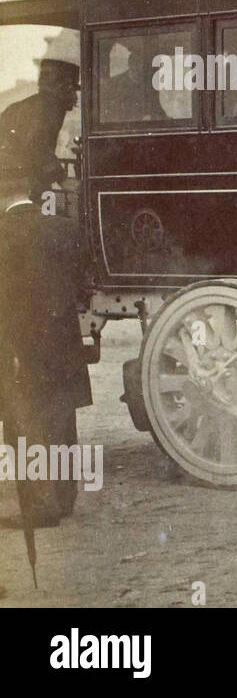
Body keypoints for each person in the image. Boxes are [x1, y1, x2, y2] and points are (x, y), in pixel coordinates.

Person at [0, 158, 94, 527]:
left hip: (19, 348)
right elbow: (81, 285)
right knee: (61, 420)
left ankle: (40, 509)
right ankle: (65, 498)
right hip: (63, 343)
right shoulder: (64, 230)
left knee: (24, 424)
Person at [0, 57, 79, 200]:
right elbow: (38, 146)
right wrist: (63, 180)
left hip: (14, 177)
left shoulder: (33, 104)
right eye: (73, 89)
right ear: (63, 88)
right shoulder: (49, 108)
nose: (75, 97)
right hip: (19, 179)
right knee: (41, 214)